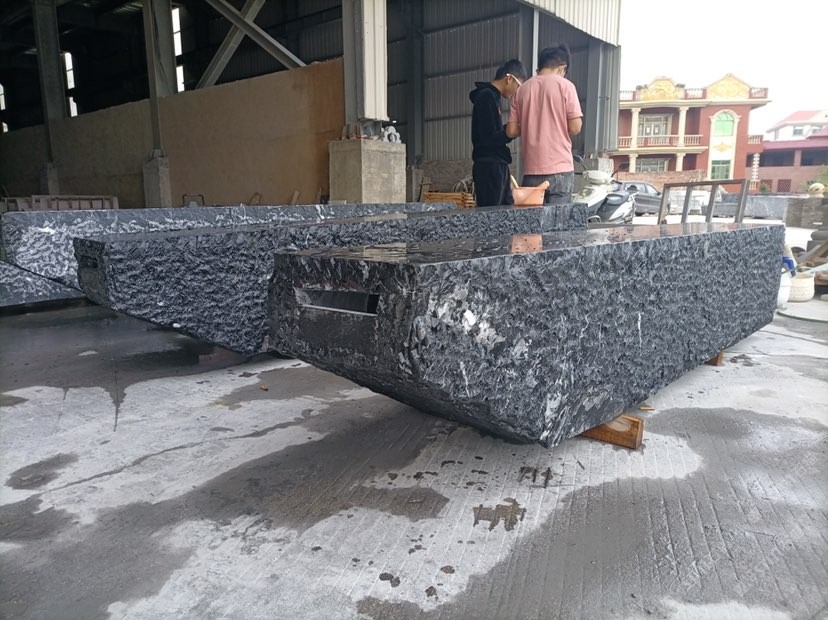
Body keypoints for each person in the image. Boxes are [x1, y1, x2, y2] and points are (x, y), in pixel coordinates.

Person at [506, 44, 583, 204]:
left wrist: (532, 124)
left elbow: (511, 131)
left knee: (532, 220)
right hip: (560, 170)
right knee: (558, 220)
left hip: (531, 171)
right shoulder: (566, 86)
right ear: (562, 68)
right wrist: (555, 122)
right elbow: (575, 127)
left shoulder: (521, 90)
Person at [469, 59, 528, 207]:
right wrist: (510, 132)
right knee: (492, 214)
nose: (516, 92)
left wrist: (508, 131)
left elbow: (491, 132)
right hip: (489, 166)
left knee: (505, 209)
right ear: (509, 79)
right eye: (518, 86)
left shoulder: (493, 97)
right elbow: (487, 137)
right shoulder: (486, 97)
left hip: (497, 164)